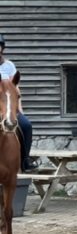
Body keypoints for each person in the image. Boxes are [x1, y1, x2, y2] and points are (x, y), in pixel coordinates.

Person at [0, 33, 37, 172]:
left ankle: (25, 160)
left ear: (2, 48)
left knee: (26, 125)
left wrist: (20, 109)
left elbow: (15, 88)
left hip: (9, 106)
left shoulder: (9, 66)